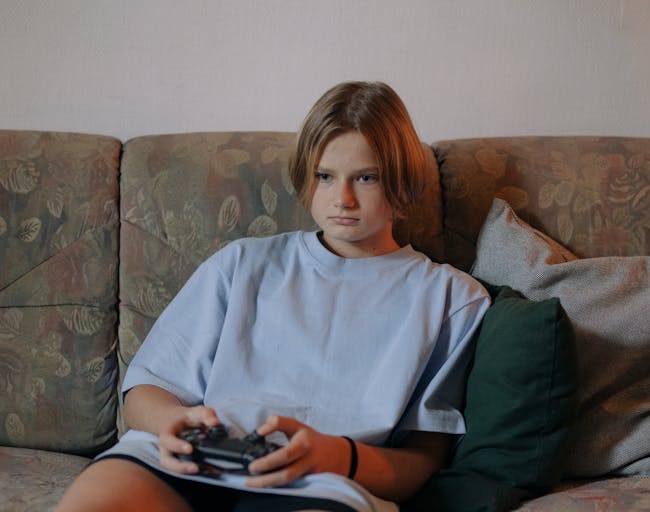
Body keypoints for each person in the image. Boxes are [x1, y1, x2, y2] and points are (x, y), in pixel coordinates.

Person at [56, 81, 490, 512]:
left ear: (401, 181)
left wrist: (340, 456)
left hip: (318, 484)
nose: (343, 198)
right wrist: (172, 424)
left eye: (366, 177)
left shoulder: (451, 298)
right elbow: (146, 389)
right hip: (185, 463)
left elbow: (425, 461)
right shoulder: (242, 263)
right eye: (325, 176)